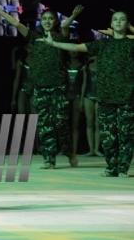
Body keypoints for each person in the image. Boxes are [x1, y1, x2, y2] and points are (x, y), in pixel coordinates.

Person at [38, 10, 134, 178]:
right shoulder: (102, 44)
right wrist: (53, 44)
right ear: (110, 24)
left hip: (126, 97)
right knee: (108, 137)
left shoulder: (131, 44)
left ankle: (123, 168)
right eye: (115, 19)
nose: (118, 22)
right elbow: (75, 47)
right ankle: (112, 167)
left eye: (122, 19)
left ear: (127, 24)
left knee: (125, 135)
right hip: (105, 97)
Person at [0, 1, 82, 169]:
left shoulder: (60, 37)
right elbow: (16, 23)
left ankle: (69, 152)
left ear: (55, 22)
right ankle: (49, 159)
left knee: (61, 124)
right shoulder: (35, 37)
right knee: (44, 125)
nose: (47, 21)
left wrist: (73, 16)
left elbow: (66, 26)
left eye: (51, 19)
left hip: (58, 88)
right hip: (40, 88)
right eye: (44, 18)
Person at [66, 50, 86, 155]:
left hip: (77, 96)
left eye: (75, 50)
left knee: (75, 125)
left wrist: (81, 99)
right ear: (68, 52)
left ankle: (74, 150)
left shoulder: (83, 66)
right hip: (66, 96)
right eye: (71, 50)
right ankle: (65, 149)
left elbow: (84, 83)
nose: (73, 52)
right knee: (64, 125)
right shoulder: (65, 66)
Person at [82, 56, 102, 156]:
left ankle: (97, 149)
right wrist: (81, 99)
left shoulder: (103, 65)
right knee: (89, 122)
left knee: (97, 123)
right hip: (88, 96)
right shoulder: (87, 67)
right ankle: (91, 149)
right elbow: (84, 83)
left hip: (99, 96)